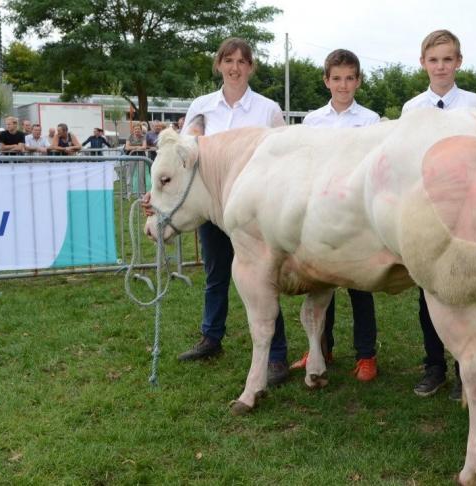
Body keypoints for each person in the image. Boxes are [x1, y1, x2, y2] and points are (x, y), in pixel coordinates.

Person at [150, 38, 286, 383]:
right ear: (219, 64)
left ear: (250, 67)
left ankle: (278, 355)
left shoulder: (268, 108)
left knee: (264, 279)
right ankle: (211, 337)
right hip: (211, 205)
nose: (235, 67)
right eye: (229, 60)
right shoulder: (201, 107)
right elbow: (181, 157)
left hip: (254, 212)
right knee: (216, 274)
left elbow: (284, 157)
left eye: (242, 61)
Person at [272, 48, 381, 382]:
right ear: (326, 81)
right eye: (337, 78)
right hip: (320, 213)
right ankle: (319, 348)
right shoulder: (312, 122)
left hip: (357, 215)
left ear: (358, 81)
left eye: (349, 78)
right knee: (319, 285)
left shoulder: (371, 121)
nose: (343, 85)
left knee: (360, 287)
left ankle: (366, 355)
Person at [401, 29, 476, 401]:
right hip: (428, 213)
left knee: (465, 290)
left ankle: (463, 369)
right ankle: (434, 365)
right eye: (433, 60)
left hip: (469, 211)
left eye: (447, 59)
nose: (440, 66)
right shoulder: (411, 109)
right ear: (423, 63)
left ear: (459, 62)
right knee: (429, 293)